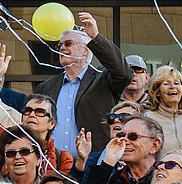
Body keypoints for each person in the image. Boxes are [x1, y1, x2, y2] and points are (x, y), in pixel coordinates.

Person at [34, 12, 131, 157]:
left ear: (86, 50)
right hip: (54, 165)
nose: (62, 48)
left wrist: (95, 37)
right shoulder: (46, 87)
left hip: (92, 164)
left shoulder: (102, 80)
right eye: (60, 45)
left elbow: (124, 73)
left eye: (68, 44)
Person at [0, 94, 74, 176]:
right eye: (27, 110)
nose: (32, 114)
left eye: (40, 112)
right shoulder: (7, 142)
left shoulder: (63, 158)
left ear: (52, 123)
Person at [142, 66, 182, 153]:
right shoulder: (147, 119)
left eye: (177, 83)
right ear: (157, 92)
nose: (172, 87)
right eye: (166, 84)